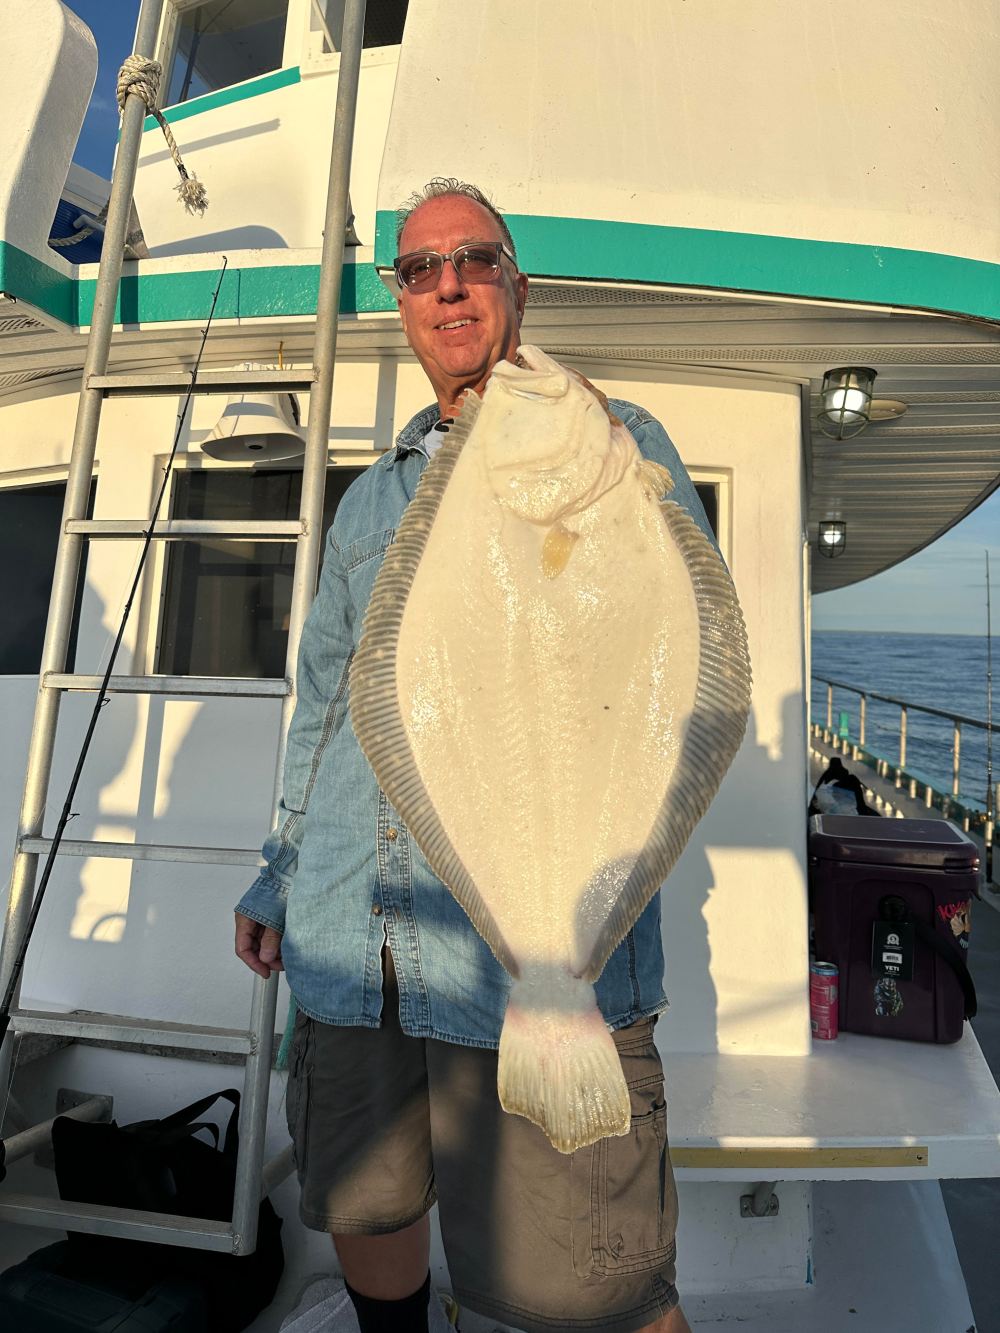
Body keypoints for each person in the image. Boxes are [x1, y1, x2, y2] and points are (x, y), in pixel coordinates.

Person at [235, 179, 714, 1333]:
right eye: (419, 268)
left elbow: (675, 665)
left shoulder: (618, 443)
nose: (448, 282)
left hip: (529, 960)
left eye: (475, 259)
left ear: (515, 284)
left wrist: (595, 456)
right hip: (355, 938)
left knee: (593, 1277)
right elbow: (324, 708)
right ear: (401, 302)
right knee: (367, 1198)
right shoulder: (367, 505)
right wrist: (280, 871)